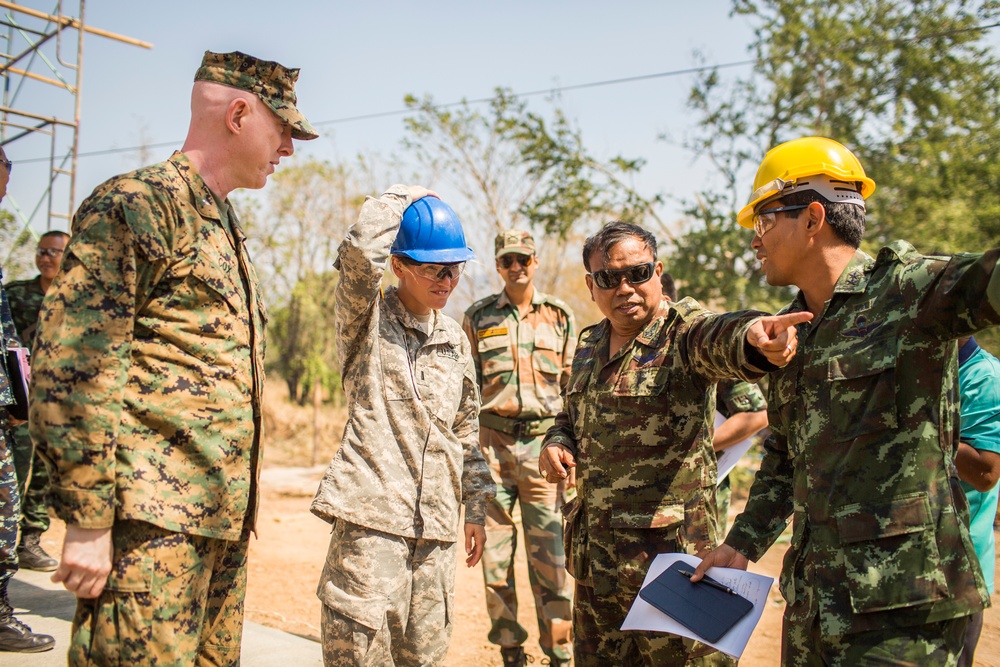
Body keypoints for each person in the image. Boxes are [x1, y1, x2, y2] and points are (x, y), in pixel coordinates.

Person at [30, 50, 317, 665]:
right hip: (150, 532)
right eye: (284, 129)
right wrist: (86, 518)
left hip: (216, 522)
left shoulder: (220, 221)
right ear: (239, 113)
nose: (289, 148)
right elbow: (73, 363)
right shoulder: (137, 205)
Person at [693, 136, 993, 665]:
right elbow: (785, 456)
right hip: (815, 608)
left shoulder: (911, 291)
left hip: (905, 615)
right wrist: (740, 545)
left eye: (763, 222)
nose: (755, 241)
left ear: (812, 219)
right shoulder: (791, 333)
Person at [538, 221, 810, 666]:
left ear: (658, 272)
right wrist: (556, 440)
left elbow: (722, 336)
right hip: (597, 564)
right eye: (609, 278)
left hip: (673, 564)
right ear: (591, 286)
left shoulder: (682, 335)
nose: (624, 288)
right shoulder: (590, 343)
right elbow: (571, 414)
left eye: (638, 273)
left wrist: (756, 339)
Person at [311, 189, 496, 666]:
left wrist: (475, 505)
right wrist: (407, 196)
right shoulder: (366, 322)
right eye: (435, 268)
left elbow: (466, 428)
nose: (449, 279)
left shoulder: (455, 338)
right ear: (399, 266)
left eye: (456, 268)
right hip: (372, 533)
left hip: (435, 538)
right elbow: (357, 255)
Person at [462, 229, 576, 667]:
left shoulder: (559, 315)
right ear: (497, 265)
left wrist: (570, 450)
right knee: (495, 559)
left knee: (551, 558)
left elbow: (572, 389)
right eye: (508, 261)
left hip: (544, 450)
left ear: (535, 261)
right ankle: (510, 648)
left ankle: (560, 653)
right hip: (492, 448)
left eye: (523, 260)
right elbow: (466, 390)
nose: (516, 268)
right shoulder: (478, 317)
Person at [0, 147, 56, 653]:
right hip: (12, 405)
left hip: (32, 404)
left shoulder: (76, 297)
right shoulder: (18, 290)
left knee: (24, 489)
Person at [660, 272, 768, 534]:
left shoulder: (698, 345)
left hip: (699, 497)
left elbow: (757, 414)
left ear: (664, 300)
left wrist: (697, 449)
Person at [5, 229, 70, 572]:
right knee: (12, 471)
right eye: (42, 251)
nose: (46, 257)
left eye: (54, 252)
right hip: (19, 401)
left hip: (58, 401)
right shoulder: (15, 295)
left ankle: (29, 540)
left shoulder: (80, 299)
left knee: (46, 472)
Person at [954, 335, 1000, 667]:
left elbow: (986, 472)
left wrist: (918, 423)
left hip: (957, 575)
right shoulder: (914, 367)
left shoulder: (983, 376)